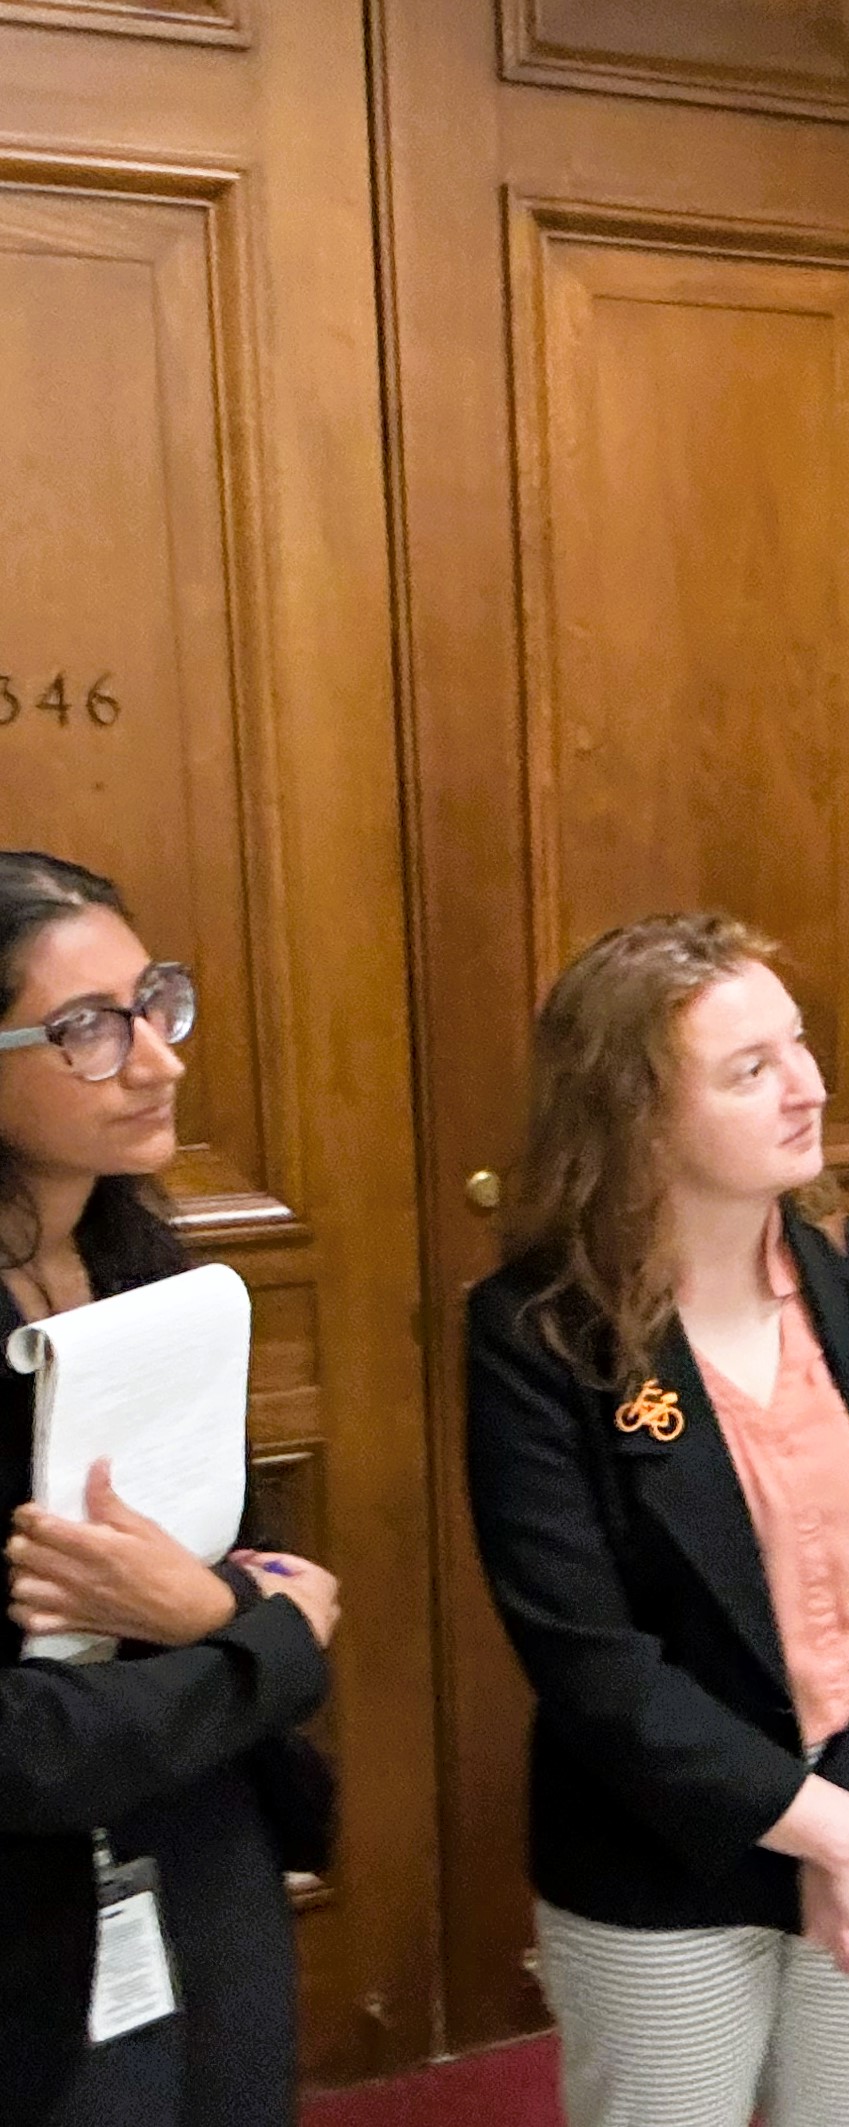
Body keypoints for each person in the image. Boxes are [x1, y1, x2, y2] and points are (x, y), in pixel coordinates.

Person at [463, 914, 849, 2127]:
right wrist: (817, 1828)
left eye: (797, 1047)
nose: (805, 1089)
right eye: (748, 1070)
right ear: (633, 1117)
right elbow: (587, 1656)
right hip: (667, 1853)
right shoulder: (540, 1336)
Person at [0, 850, 341, 2127]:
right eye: (89, 1029)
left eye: (154, 1003)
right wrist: (253, 1652)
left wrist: (213, 1616)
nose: (159, 1060)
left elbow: (253, 1569)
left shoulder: (147, 1273)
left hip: (197, 1826)